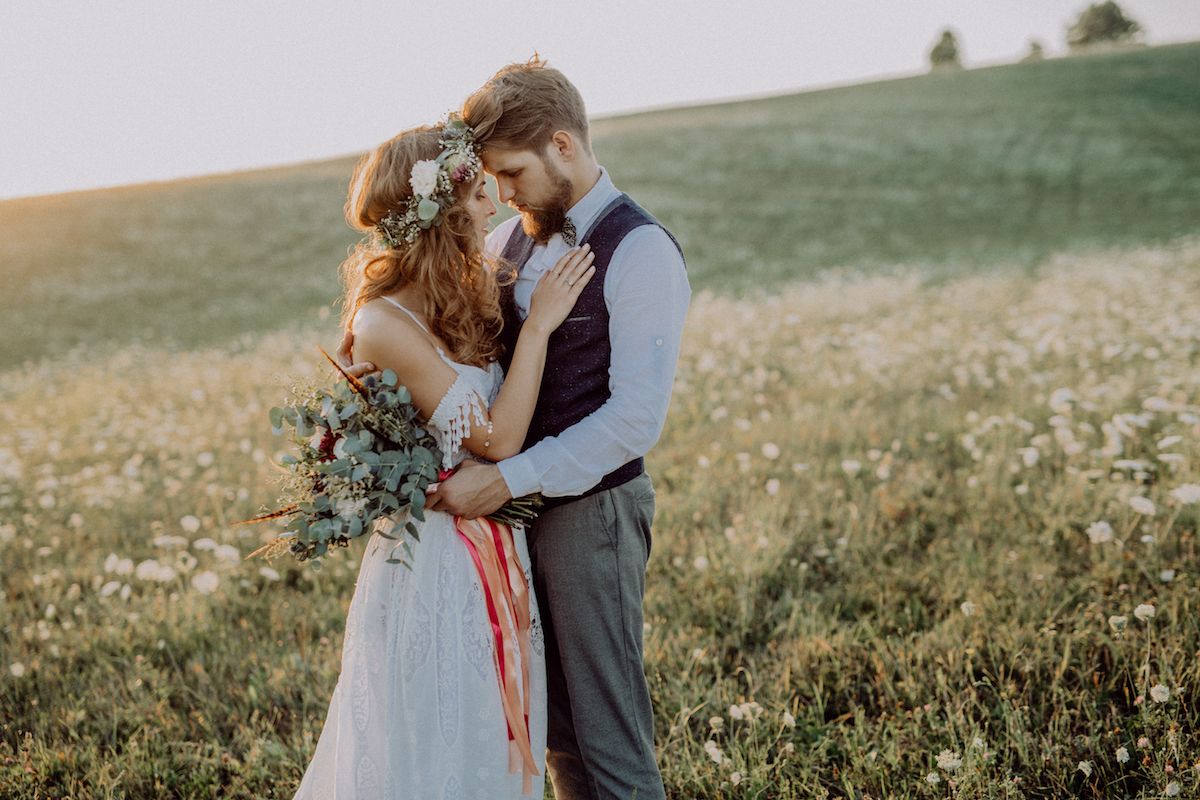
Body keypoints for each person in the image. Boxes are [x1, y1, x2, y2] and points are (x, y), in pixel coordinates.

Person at [294, 119, 596, 799]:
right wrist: (541, 327)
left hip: (493, 541)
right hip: (436, 561)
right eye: (479, 192)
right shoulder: (383, 322)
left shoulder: (460, 293)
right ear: (441, 207)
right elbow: (494, 440)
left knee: (489, 734)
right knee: (437, 738)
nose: (495, 204)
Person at [429, 59, 691, 800]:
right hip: (512, 520)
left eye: (512, 172)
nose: (503, 193)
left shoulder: (641, 251)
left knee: (608, 735)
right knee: (556, 730)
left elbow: (636, 419)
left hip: (593, 516)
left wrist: (508, 479)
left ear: (562, 146)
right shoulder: (506, 243)